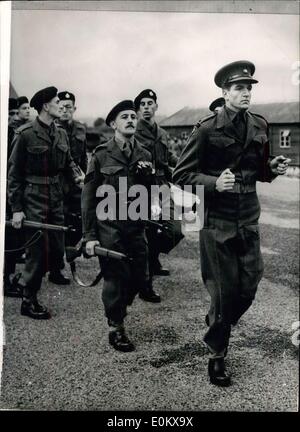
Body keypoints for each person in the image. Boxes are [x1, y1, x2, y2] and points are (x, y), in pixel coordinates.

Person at [173, 60, 291, 387]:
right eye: (239, 88)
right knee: (225, 292)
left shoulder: (259, 125)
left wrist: (273, 168)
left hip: (248, 217)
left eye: (249, 88)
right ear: (224, 92)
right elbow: (181, 175)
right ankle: (217, 355)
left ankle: (216, 322)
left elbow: (260, 171)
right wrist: (213, 183)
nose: (246, 93)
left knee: (250, 284)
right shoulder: (207, 128)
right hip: (217, 220)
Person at [82, 100, 155, 352]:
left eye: (133, 116)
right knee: (115, 276)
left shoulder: (144, 154)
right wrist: (90, 236)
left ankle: (120, 309)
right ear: (113, 123)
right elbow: (89, 197)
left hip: (135, 226)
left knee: (140, 277)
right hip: (109, 225)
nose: (131, 120)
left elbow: (150, 193)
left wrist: (151, 189)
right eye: (124, 117)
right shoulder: (102, 154)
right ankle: (116, 327)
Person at [7, 86, 83, 319]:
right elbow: (14, 174)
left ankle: (23, 280)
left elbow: (69, 162)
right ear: (45, 107)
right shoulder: (26, 133)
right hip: (33, 197)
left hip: (56, 196)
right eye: (56, 102)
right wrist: (17, 209)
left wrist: (80, 178)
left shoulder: (60, 133)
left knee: (56, 249)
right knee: (37, 251)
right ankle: (28, 300)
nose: (61, 105)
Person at [134, 89, 184, 302]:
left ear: (156, 107)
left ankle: (152, 259)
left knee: (175, 230)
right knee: (149, 231)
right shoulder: (133, 132)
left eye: (150, 103)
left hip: (162, 187)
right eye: (142, 104)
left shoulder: (162, 133)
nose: (147, 107)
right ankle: (146, 285)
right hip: (143, 189)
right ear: (137, 110)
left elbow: (169, 158)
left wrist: (183, 166)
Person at [57, 91, 87, 254]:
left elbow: (83, 158)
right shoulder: (52, 128)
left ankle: (69, 246)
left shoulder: (81, 128)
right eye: (61, 107)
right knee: (60, 218)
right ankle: (57, 264)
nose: (64, 110)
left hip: (76, 180)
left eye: (68, 107)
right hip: (59, 180)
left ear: (74, 108)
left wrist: (87, 177)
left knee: (79, 215)